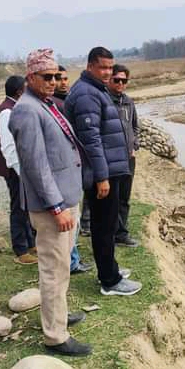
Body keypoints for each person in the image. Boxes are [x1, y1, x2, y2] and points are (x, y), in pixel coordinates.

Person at [9, 48, 92, 357]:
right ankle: (55, 336)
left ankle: (59, 315)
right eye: (47, 76)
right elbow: (36, 165)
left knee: (61, 267)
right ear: (31, 78)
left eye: (57, 75)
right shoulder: (27, 110)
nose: (54, 80)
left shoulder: (46, 104)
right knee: (53, 270)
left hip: (65, 199)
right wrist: (56, 207)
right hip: (51, 207)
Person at [65, 47, 143, 296]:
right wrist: (102, 177)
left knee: (107, 225)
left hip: (110, 169)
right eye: (103, 67)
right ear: (90, 67)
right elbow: (92, 141)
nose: (108, 72)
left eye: (111, 67)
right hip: (103, 173)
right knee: (104, 226)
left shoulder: (97, 89)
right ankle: (110, 280)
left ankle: (111, 269)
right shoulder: (87, 94)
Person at [51, 65, 93, 275]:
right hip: (62, 173)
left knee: (73, 220)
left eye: (65, 78)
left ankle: (73, 259)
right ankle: (72, 261)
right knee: (69, 221)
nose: (62, 82)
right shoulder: (54, 106)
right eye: (58, 78)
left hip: (73, 168)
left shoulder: (64, 101)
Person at [0, 75, 37, 265]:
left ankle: (30, 243)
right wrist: (20, 171)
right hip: (14, 169)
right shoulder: (6, 112)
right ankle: (20, 250)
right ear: (20, 91)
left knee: (25, 206)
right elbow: (8, 147)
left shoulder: (13, 108)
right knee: (18, 208)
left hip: (19, 168)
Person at [108, 64, 140, 248]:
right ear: (110, 80)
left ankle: (121, 233)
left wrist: (134, 145)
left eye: (124, 81)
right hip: (112, 158)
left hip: (129, 158)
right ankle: (113, 233)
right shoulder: (104, 101)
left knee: (124, 198)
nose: (120, 84)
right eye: (117, 80)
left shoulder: (128, 101)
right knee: (112, 198)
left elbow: (135, 126)